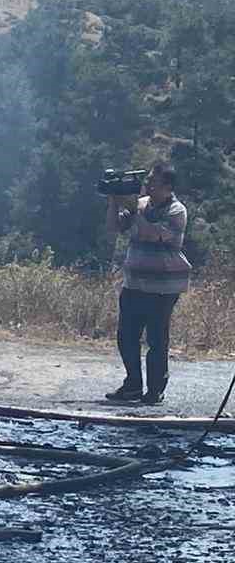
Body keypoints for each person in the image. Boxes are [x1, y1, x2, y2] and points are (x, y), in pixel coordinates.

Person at [107, 161, 191, 405]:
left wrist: (133, 208)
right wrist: (114, 202)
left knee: (156, 339)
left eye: (153, 180)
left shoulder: (177, 211)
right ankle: (132, 385)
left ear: (167, 186)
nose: (147, 184)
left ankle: (155, 390)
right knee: (126, 336)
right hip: (134, 282)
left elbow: (153, 234)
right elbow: (114, 227)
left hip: (163, 287)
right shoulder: (141, 204)